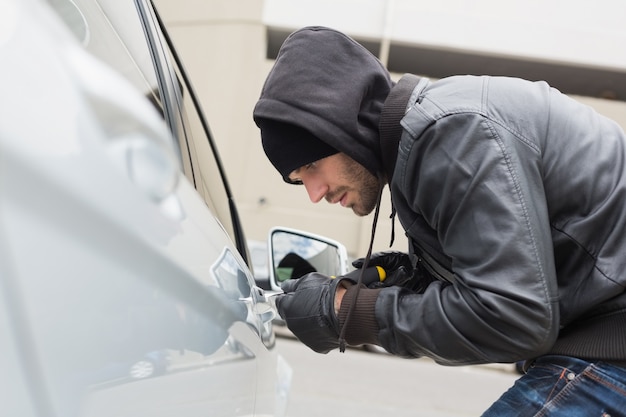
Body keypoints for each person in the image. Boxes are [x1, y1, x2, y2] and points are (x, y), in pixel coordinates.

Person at [253, 26, 626, 416]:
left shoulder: (451, 135)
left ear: (346, 126)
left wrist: (348, 312)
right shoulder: (424, 143)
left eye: (312, 165)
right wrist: (414, 280)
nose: (315, 193)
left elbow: (515, 317)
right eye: (298, 181)